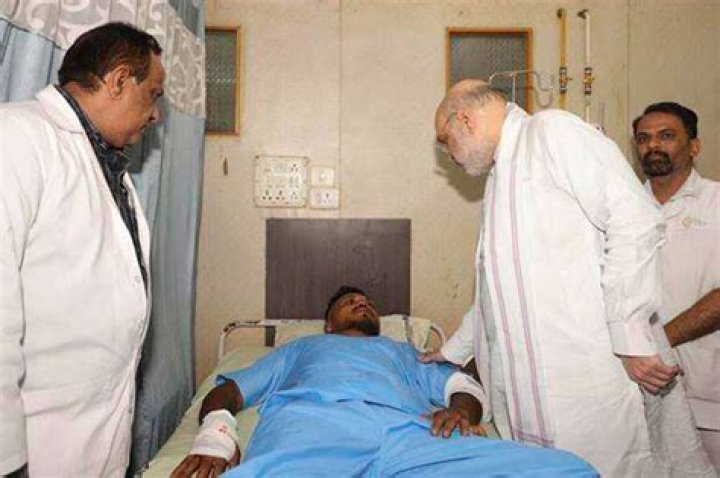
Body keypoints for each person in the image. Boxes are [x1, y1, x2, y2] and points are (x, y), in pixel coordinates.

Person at [426, 79, 680, 477]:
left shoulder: (551, 132)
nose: (449, 154)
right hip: (526, 396)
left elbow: (634, 219)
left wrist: (630, 335)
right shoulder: (500, 177)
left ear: (465, 121)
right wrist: (453, 350)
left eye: (446, 141)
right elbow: (495, 291)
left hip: (581, 382)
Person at [171, 286, 597, 477]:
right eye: (350, 302)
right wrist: (216, 435)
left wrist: (459, 412)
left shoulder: (404, 352)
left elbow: (461, 386)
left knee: (569, 471)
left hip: (407, 436)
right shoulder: (300, 349)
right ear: (329, 324)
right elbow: (228, 391)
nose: (362, 303)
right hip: (313, 431)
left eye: (367, 302)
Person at [0, 23, 164, 476]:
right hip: (33, 448)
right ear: (118, 80)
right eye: (153, 94)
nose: (156, 115)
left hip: (93, 441)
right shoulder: (16, 137)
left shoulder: (110, 171)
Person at [634, 102, 720, 471]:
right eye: (643, 139)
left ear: (694, 146)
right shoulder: (623, 209)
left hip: (709, 394)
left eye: (666, 136)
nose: (653, 145)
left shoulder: (716, 203)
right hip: (640, 393)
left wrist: (657, 342)